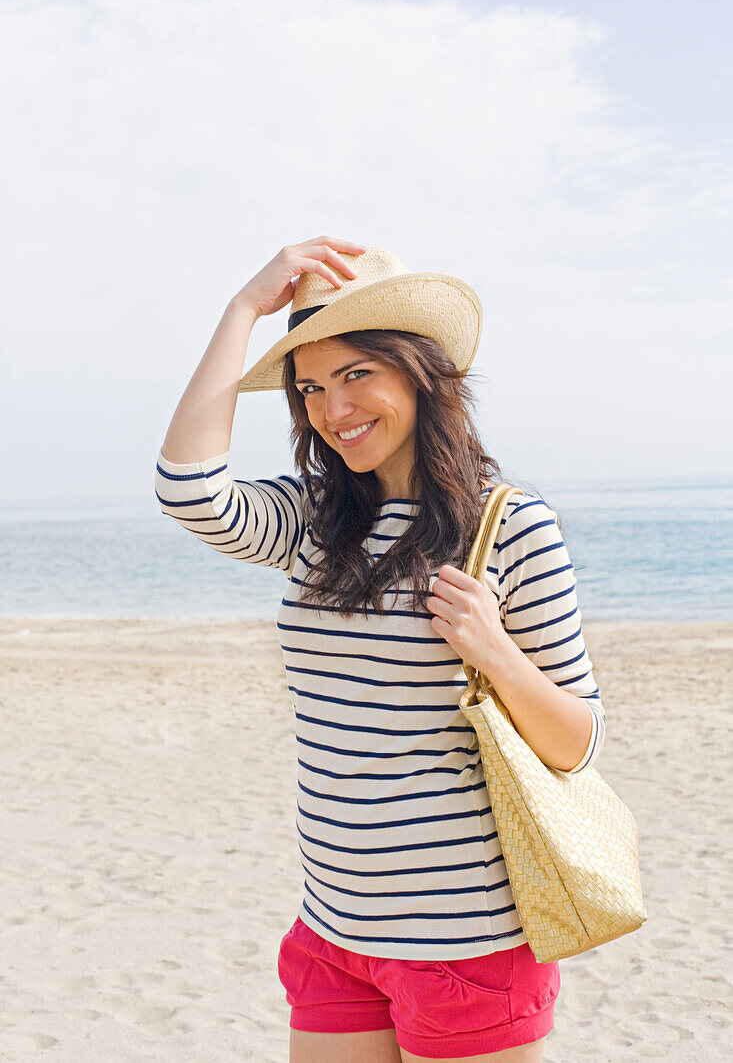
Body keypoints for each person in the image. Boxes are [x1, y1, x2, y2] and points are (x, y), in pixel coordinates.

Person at [154, 236, 607, 1063]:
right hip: (332, 928)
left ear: (419, 372)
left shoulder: (508, 527)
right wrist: (242, 310)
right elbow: (188, 487)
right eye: (310, 387)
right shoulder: (311, 521)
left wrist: (496, 652)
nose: (333, 410)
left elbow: (577, 744)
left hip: (465, 941)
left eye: (357, 374)